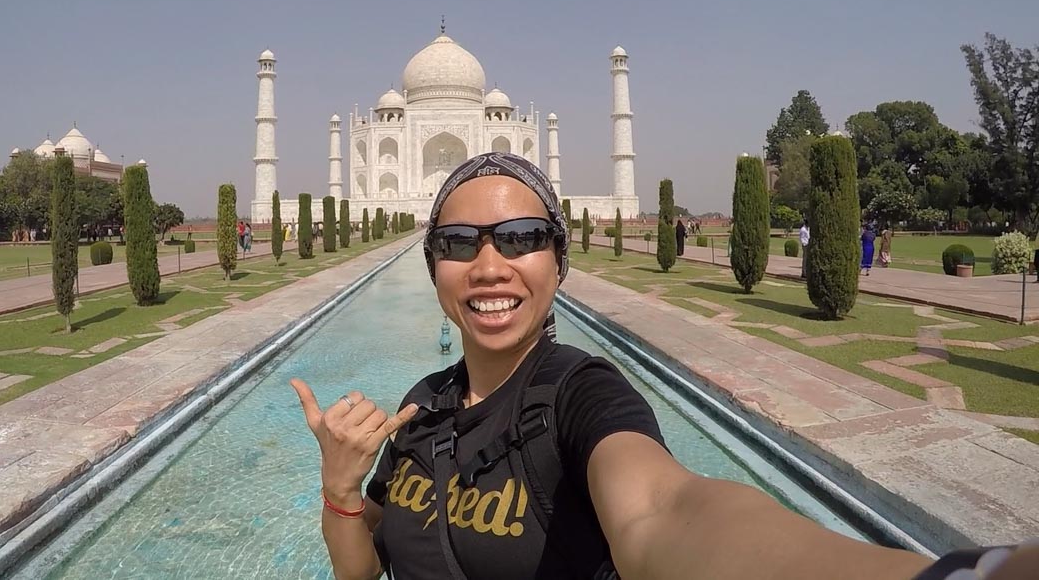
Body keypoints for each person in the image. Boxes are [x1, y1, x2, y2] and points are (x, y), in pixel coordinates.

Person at [289, 152, 1028, 580]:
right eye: (458, 242)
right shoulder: (422, 405)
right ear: (433, 265)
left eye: (520, 237)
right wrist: (341, 490)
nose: (489, 264)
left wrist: (954, 574)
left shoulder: (580, 396)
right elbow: (364, 569)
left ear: (558, 259)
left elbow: (664, 512)